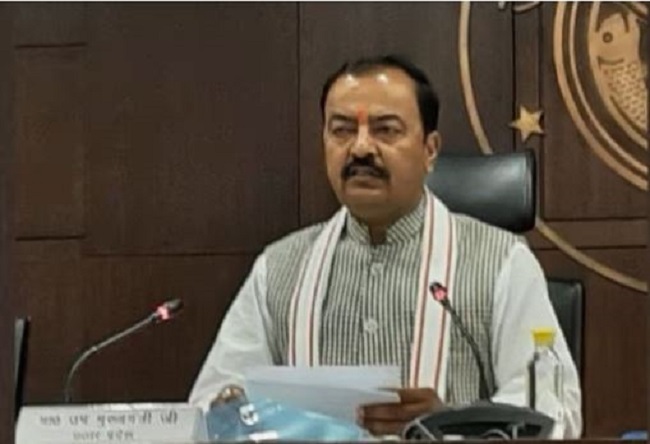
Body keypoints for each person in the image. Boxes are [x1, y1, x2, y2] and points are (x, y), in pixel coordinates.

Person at [189, 55, 582, 438]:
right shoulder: (279, 268)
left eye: (386, 130)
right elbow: (211, 407)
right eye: (342, 130)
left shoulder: (501, 262)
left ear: (430, 150)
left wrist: (450, 426)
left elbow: (550, 410)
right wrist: (247, 413)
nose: (360, 148)